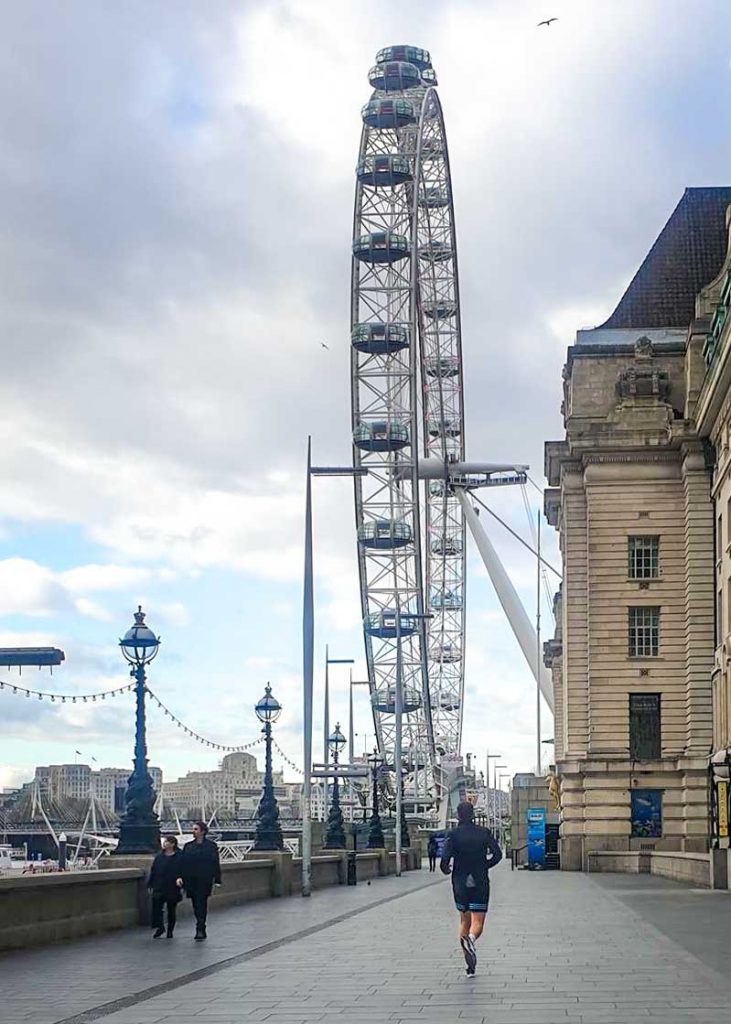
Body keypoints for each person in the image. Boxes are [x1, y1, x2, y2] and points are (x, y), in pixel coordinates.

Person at [440, 801, 502, 976]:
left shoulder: (453, 835)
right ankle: (472, 939)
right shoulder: (484, 832)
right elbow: (497, 855)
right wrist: (485, 865)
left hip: (460, 881)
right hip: (480, 880)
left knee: (464, 921)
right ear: (473, 814)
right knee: (478, 922)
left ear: (458, 815)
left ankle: (470, 965)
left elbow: (445, 860)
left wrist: (447, 869)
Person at [177, 821, 221, 941]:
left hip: (205, 879)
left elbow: (215, 863)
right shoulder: (188, 846)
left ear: (203, 831)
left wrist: (217, 879)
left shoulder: (211, 846)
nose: (193, 831)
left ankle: (200, 927)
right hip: (191, 879)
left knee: (202, 902)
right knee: (195, 903)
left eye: (196, 829)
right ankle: (200, 923)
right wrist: (180, 876)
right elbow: (182, 863)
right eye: (193, 829)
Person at [148, 835, 183, 939]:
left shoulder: (179, 856)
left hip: (172, 886)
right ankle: (160, 926)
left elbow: (183, 869)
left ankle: (170, 931)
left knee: (171, 909)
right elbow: (154, 870)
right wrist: (150, 884)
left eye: (166, 842)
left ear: (172, 844)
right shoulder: (159, 856)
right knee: (157, 908)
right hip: (159, 885)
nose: (164, 843)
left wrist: (181, 878)